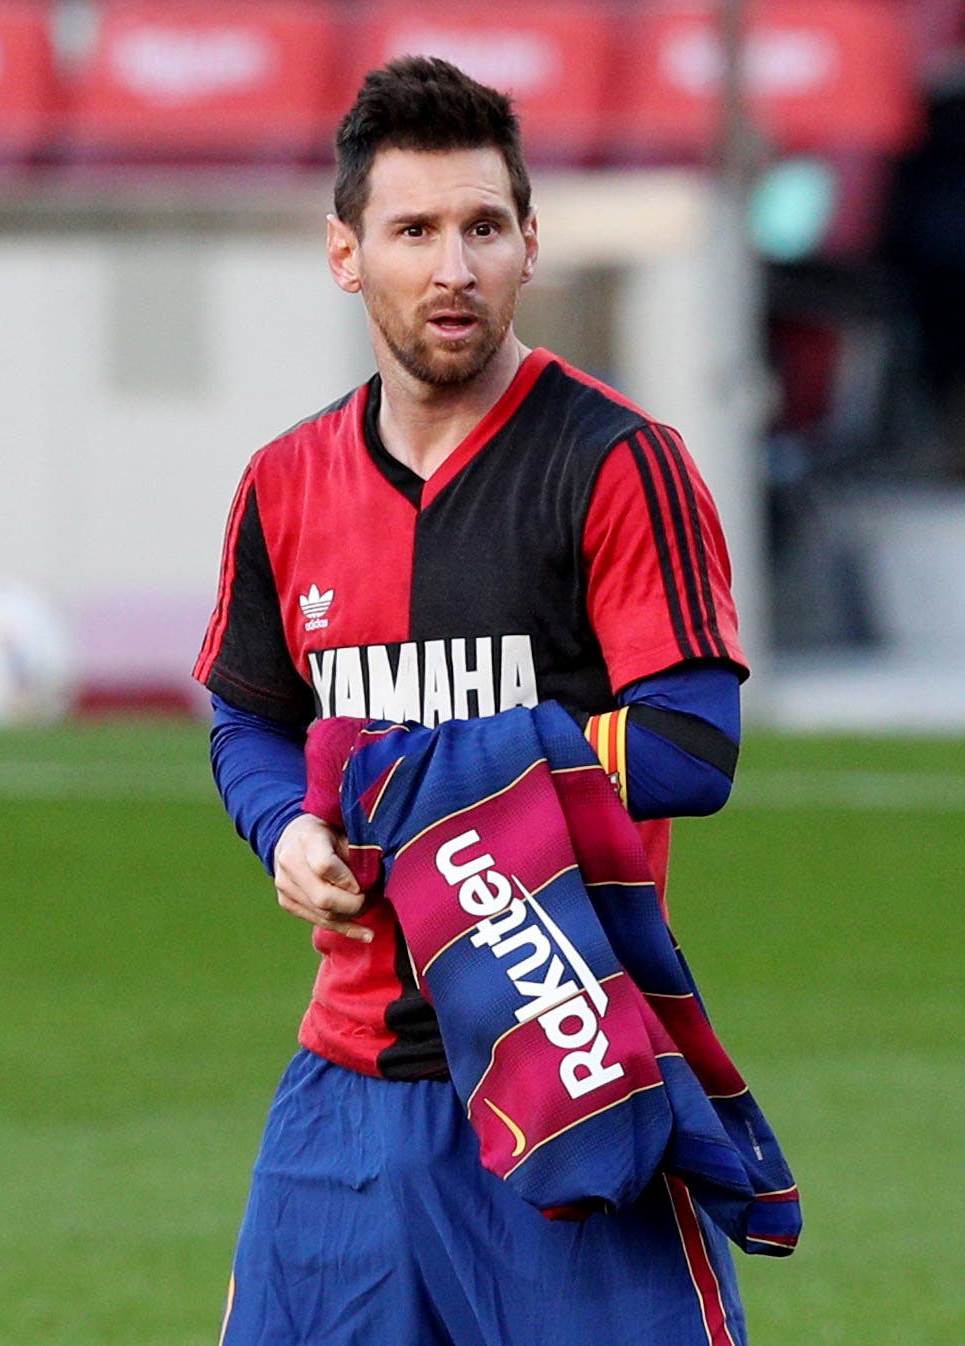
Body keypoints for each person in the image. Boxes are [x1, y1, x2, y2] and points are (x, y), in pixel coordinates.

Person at [196, 56, 756, 1346]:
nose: (453, 267)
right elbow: (251, 717)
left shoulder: (619, 465)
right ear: (347, 254)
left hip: (569, 1071)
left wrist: (454, 770)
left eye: (483, 228)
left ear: (528, 247)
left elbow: (690, 742)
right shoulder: (284, 486)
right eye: (414, 231)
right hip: (351, 1090)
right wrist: (287, 829)